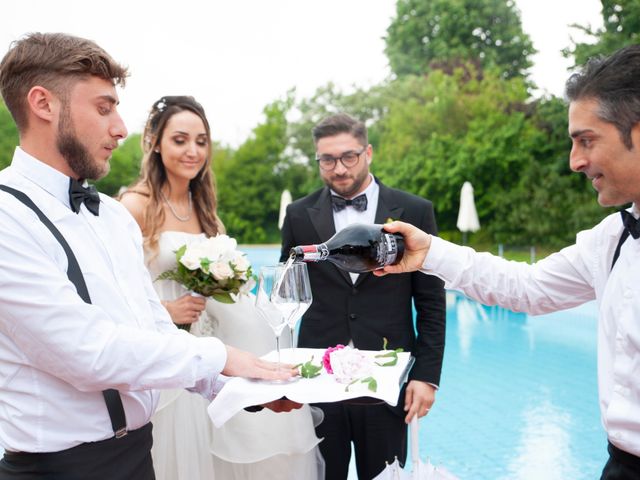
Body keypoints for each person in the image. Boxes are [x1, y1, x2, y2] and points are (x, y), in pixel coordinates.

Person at [0, 32, 295, 480]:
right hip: (57, 469)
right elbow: (88, 352)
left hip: (140, 457)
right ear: (44, 104)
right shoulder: (6, 218)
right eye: (103, 108)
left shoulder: (113, 218)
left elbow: (155, 327)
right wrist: (220, 357)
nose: (120, 128)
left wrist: (238, 387)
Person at [374, 44, 640, 480]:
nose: (575, 161)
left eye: (586, 141)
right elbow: (528, 288)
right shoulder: (610, 239)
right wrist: (430, 252)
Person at [120, 95, 325, 480]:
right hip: (170, 356)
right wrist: (166, 312)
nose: (193, 151)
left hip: (215, 355)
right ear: (154, 142)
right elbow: (116, 292)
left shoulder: (204, 208)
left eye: (201, 141)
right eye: (180, 140)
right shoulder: (135, 205)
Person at [279, 113, 446, 480]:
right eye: (327, 159)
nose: (338, 168)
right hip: (318, 375)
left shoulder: (415, 211)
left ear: (368, 152)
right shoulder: (298, 215)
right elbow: (287, 295)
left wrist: (427, 375)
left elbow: (431, 301)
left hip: (387, 375)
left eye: (348, 157)